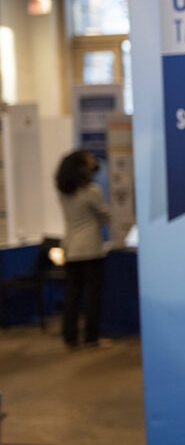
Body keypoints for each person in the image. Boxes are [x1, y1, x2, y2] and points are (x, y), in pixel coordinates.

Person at [55, 149, 111, 349]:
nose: (93, 162)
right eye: (89, 160)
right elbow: (104, 215)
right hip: (90, 249)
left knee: (72, 295)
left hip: (71, 247)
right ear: (81, 166)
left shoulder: (63, 191)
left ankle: (70, 338)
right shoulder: (92, 190)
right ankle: (91, 338)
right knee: (92, 295)